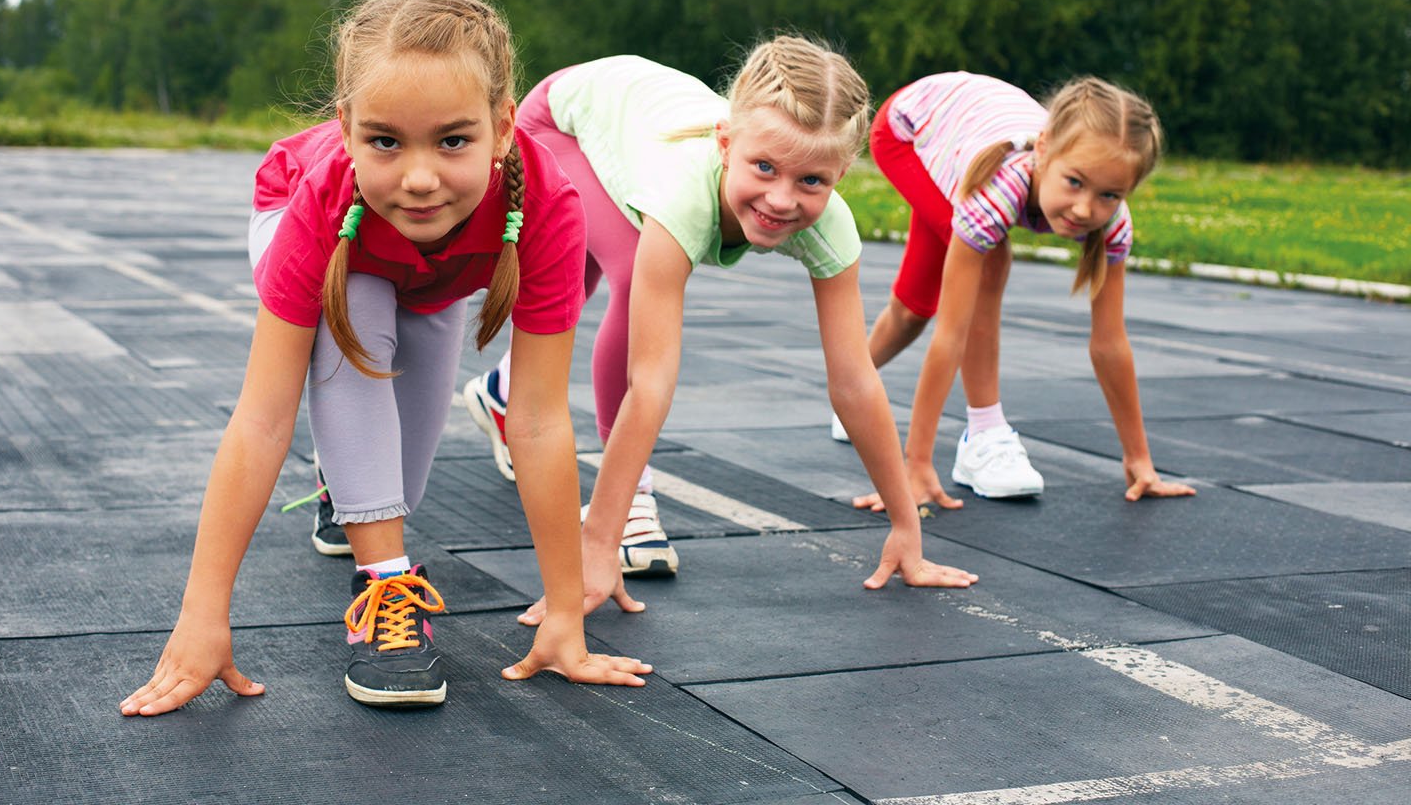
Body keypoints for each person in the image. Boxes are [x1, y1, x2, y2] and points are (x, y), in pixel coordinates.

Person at [119, 0, 650, 717]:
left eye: (453, 140)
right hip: (329, 235)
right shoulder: (327, 192)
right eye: (386, 141)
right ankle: (385, 589)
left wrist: (566, 613)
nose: (421, 177)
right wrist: (202, 614)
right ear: (345, 129)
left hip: (431, 280)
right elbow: (263, 419)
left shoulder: (548, 208)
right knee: (360, 315)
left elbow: (534, 420)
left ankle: (345, 488)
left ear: (501, 129)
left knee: (395, 485)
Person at [463, 39, 979, 626]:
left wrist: (905, 524)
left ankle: (502, 391)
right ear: (726, 143)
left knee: (583, 276)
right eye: (764, 168)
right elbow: (652, 379)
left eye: (813, 180)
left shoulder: (830, 225)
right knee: (627, 272)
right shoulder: (681, 194)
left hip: (628, 124)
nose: (782, 200)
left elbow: (855, 380)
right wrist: (601, 542)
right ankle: (632, 501)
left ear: (841, 173)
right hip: (564, 121)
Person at [846, 71, 1197, 509]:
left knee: (914, 308)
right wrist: (915, 465)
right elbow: (951, 336)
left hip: (961, 131)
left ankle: (851, 392)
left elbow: (1110, 344)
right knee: (987, 260)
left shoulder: (1112, 222)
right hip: (909, 130)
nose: (1086, 208)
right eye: (1074, 182)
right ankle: (983, 436)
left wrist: (1140, 460)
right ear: (1045, 150)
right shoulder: (997, 191)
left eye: (1109, 194)